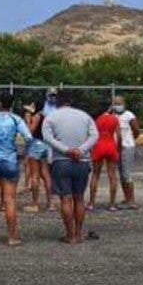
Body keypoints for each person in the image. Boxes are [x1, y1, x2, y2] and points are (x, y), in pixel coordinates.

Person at [42, 88, 98, 245]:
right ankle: (79, 233)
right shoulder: (84, 116)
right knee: (79, 198)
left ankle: (70, 234)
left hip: (61, 160)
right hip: (82, 160)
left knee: (65, 199)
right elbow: (94, 135)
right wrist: (81, 150)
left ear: (57, 101)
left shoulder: (50, 117)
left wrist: (66, 150)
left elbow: (48, 138)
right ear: (71, 101)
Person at [0, 92, 32, 245]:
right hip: (9, 160)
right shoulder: (16, 119)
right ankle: (12, 236)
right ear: (12, 104)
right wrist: (21, 153)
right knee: (9, 200)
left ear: (0, 103)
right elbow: (28, 137)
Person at [88, 102, 121, 212]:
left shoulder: (96, 119)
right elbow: (119, 135)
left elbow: (91, 134)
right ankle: (112, 203)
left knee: (95, 174)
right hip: (111, 144)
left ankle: (92, 203)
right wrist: (118, 148)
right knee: (112, 175)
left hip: (99, 145)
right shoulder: (114, 119)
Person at [22, 100, 52, 213]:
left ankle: (35, 203)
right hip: (44, 144)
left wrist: (27, 120)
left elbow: (30, 132)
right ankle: (50, 203)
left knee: (35, 175)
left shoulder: (37, 116)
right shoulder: (46, 116)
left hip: (36, 145)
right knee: (46, 174)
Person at [114, 96, 141, 210]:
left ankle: (132, 200)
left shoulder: (129, 115)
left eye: (119, 103)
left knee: (127, 174)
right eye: (115, 103)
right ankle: (127, 197)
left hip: (127, 146)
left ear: (124, 104)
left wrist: (131, 139)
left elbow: (136, 130)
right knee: (121, 173)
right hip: (117, 147)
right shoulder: (113, 116)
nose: (117, 105)